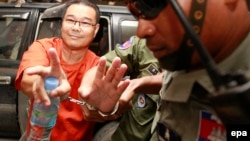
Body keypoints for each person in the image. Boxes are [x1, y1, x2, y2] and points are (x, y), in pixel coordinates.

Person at [79, 0, 250, 141]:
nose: (142, 30)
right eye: (137, 12)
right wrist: (92, 90)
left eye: (156, 5)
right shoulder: (188, 53)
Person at [15, 0, 129, 140]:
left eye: (85, 23)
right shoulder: (44, 48)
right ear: (62, 23)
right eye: (70, 20)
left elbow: (104, 107)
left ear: (96, 30)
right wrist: (43, 85)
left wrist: (108, 110)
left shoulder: (97, 67)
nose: (76, 27)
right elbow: (28, 78)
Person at [94, 36, 161, 141]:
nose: (142, 30)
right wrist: (89, 87)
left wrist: (140, 84)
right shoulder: (144, 44)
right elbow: (101, 66)